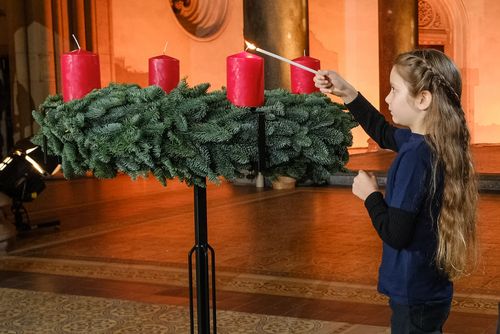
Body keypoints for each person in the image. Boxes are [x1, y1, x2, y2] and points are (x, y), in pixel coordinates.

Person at [314, 49, 478, 333]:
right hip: (429, 286)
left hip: (412, 289)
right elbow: (382, 131)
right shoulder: (432, 143)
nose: (388, 98)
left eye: (394, 90)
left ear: (423, 99)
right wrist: (347, 91)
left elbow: (395, 234)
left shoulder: (414, 158)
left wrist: (371, 195)